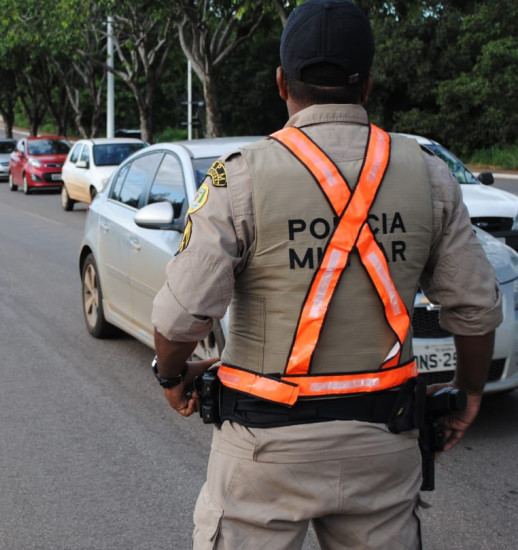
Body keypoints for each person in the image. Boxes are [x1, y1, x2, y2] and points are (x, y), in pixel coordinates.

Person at [150, 1, 502, 548]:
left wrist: (173, 378)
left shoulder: (239, 177)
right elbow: (477, 310)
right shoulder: (427, 174)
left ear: (280, 82)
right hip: (384, 444)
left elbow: (179, 319)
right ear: (367, 86)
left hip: (264, 451)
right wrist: (471, 392)